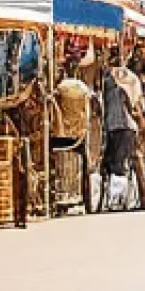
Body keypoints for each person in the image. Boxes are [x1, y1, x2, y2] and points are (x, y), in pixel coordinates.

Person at [103, 52, 145, 209]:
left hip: (113, 125)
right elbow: (139, 105)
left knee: (115, 163)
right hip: (128, 126)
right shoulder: (131, 79)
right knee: (123, 163)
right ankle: (121, 198)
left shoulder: (107, 77)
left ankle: (118, 198)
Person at [53, 62, 94, 213]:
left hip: (59, 136)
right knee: (83, 163)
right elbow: (87, 113)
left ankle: (59, 193)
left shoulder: (59, 90)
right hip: (78, 136)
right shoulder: (82, 89)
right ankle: (81, 197)